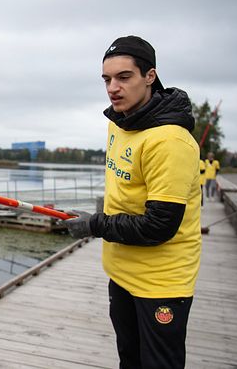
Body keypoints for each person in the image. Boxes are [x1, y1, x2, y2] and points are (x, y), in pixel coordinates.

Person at [64, 35, 201, 368]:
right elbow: (124, 195)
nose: (113, 87)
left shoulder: (170, 140)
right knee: (129, 360)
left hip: (161, 283)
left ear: (149, 77)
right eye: (107, 79)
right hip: (121, 273)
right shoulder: (120, 122)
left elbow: (159, 226)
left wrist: (95, 224)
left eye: (124, 77)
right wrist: (92, 216)